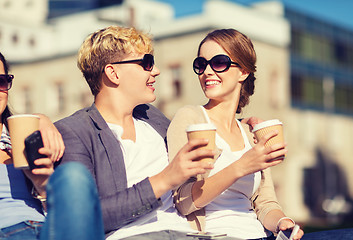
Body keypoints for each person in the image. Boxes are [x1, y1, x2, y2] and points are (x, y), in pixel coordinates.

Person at [54, 26, 217, 240]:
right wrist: (164, 180)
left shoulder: (152, 117)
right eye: (147, 63)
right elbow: (86, 216)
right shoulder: (75, 131)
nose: (156, 71)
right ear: (113, 73)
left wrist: (244, 124)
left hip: (189, 233)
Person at [167, 29, 304, 240]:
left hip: (259, 235)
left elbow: (265, 203)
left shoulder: (250, 133)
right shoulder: (190, 119)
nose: (207, 72)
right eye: (201, 65)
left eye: (219, 62)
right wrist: (240, 167)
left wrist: (282, 223)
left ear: (243, 71)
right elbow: (182, 201)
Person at [0, 52, 104, 240]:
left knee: (74, 174)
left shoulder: (23, 134)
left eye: (0, 81)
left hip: (46, 229)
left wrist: (42, 186)